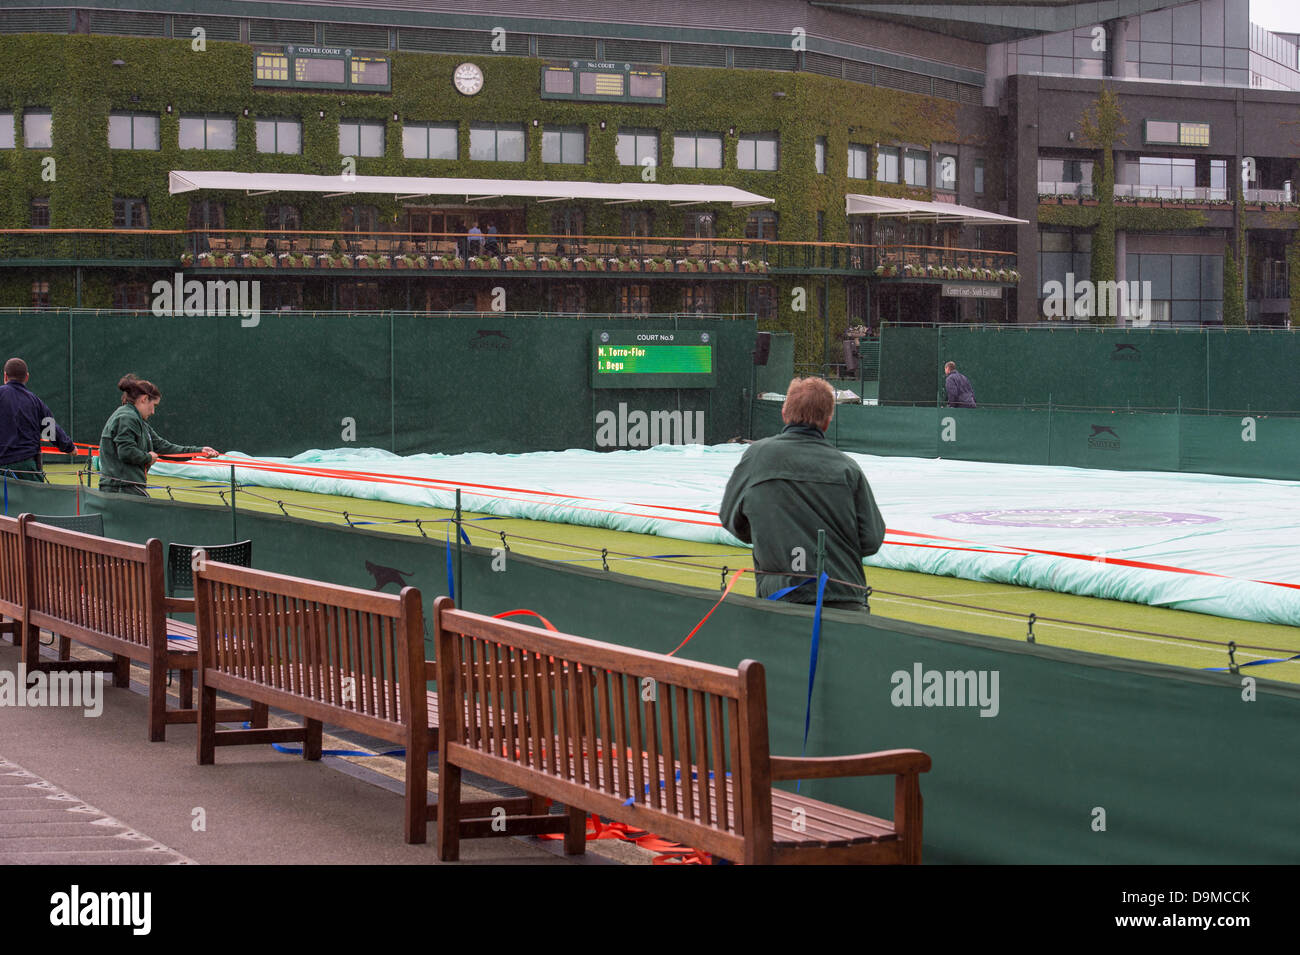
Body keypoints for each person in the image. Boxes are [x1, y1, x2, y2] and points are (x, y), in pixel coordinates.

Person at [719, 377, 886, 611]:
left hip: (780, 600)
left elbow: (731, 519)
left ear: (784, 413)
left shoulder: (757, 457)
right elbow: (871, 539)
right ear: (828, 421)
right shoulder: (847, 468)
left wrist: (772, 537)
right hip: (843, 600)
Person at [98, 374, 218, 496]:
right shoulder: (127, 417)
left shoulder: (138, 420)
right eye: (154, 405)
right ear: (144, 399)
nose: (153, 412)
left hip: (126, 487)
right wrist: (148, 458)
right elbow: (126, 451)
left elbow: (164, 447)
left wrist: (198, 451)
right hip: (121, 489)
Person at [0, 357, 74, 482]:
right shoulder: (34, 401)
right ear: (26, 377)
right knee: (34, 501)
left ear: (5, 376)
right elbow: (50, 429)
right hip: (26, 467)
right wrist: (69, 447)